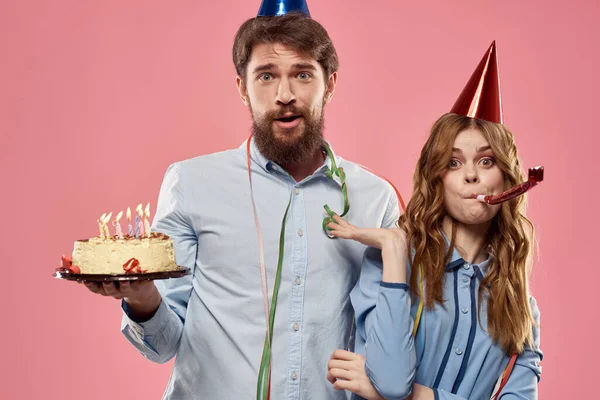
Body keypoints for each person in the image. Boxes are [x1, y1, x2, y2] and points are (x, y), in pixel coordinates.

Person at [71, 1, 402, 398]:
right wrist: (143, 298)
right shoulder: (191, 183)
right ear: (242, 87)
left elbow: (386, 336)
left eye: (302, 74)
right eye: (266, 76)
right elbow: (163, 347)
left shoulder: (374, 199)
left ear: (329, 83)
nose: (284, 94)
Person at [326, 42, 543, 399]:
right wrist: (396, 252)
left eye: (486, 161)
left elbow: (392, 392)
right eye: (454, 163)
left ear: (506, 178)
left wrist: (417, 396)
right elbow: (392, 380)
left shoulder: (522, 308)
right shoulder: (388, 261)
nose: (471, 176)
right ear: (437, 178)